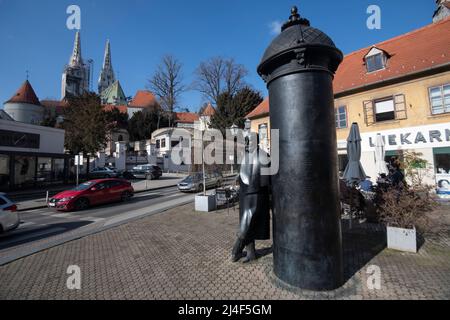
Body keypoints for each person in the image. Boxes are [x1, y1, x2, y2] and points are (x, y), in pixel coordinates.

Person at [231, 134, 271, 263]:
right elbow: (243, 172)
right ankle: (251, 253)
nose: (249, 143)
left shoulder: (264, 156)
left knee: (246, 226)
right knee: (247, 224)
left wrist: (270, 196)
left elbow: (269, 178)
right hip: (244, 195)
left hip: (257, 195)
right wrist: (237, 177)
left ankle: (236, 252)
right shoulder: (245, 156)